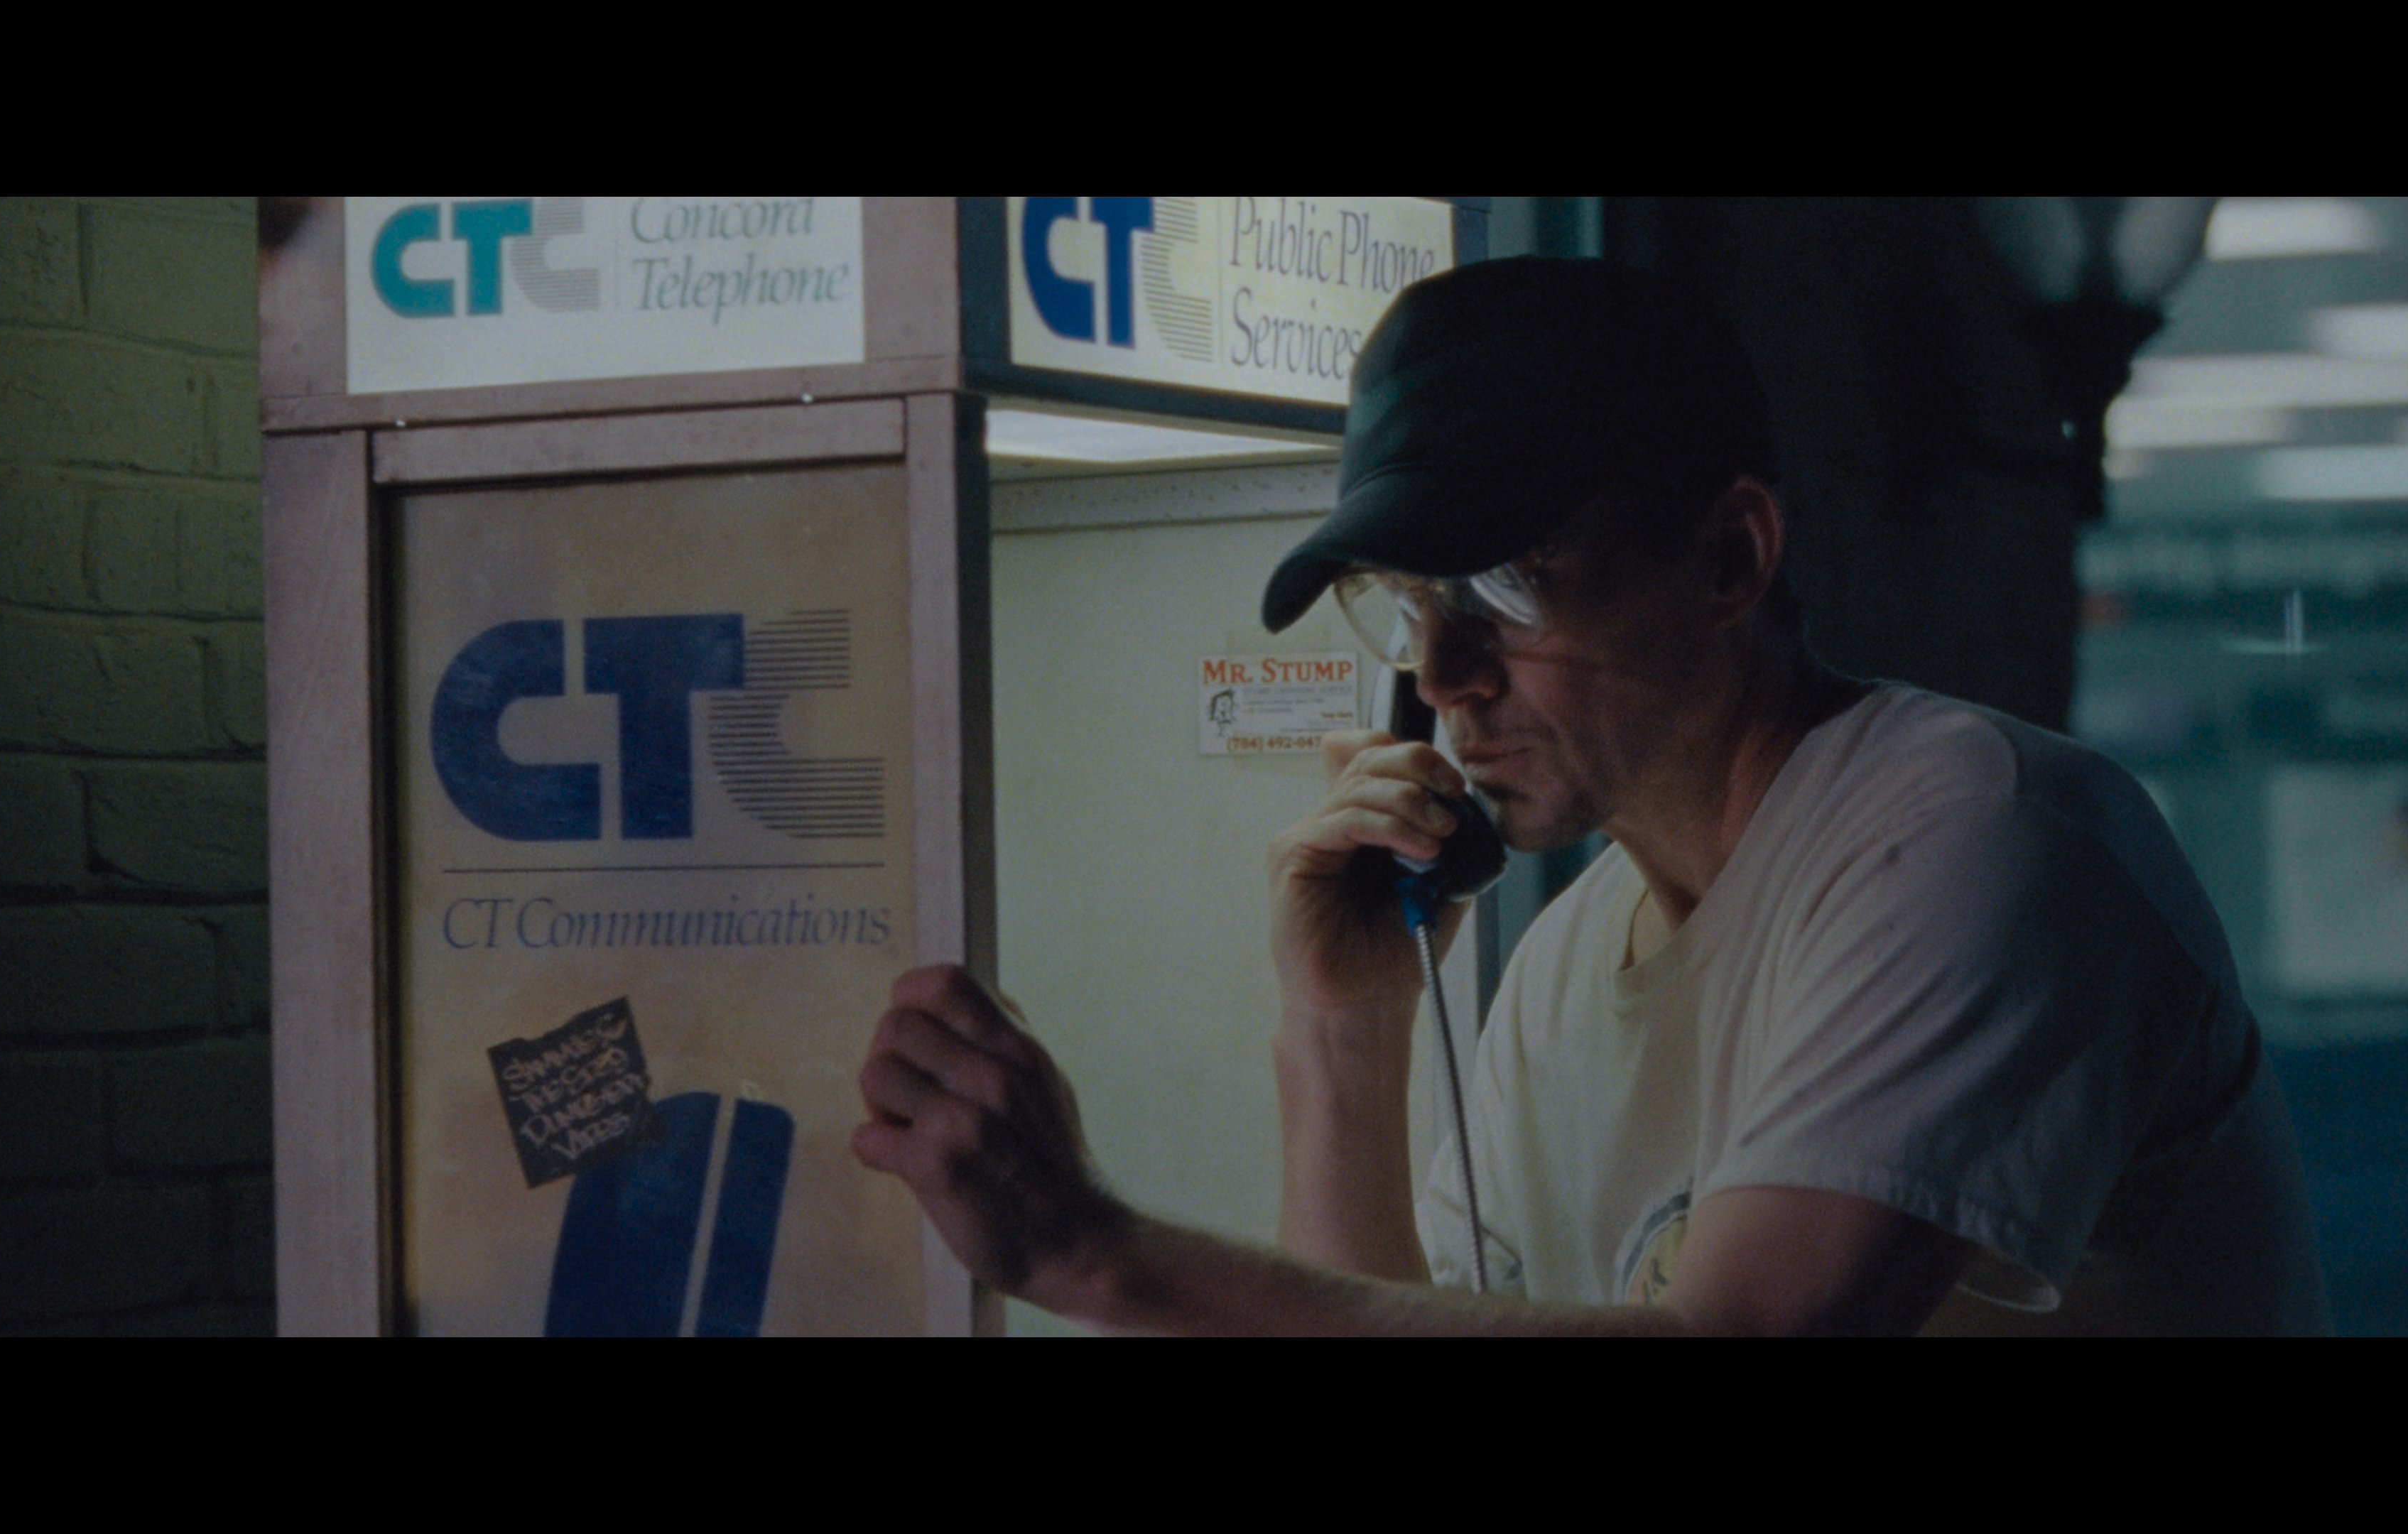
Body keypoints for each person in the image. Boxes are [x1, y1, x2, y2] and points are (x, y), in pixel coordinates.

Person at [852, 259, 2331, 1335]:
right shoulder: (1570, 964)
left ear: (1731, 558)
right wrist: (1345, 1032)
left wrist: (1098, 1258)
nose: (1443, 673)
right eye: (1407, 604)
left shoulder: (1981, 837)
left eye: (1509, 585)